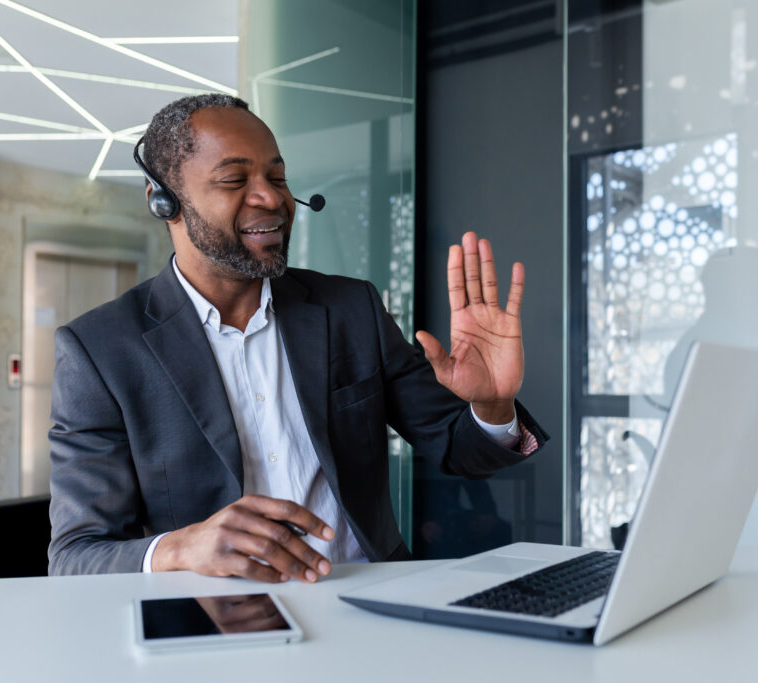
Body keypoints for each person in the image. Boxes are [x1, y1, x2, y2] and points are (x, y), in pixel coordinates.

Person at [47, 94, 547, 584]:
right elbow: (75, 556)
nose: (272, 198)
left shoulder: (352, 309)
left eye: (278, 177)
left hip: (372, 604)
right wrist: (184, 547)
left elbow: (463, 451)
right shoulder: (99, 351)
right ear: (165, 201)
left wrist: (494, 406)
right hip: (221, 627)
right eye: (235, 180)